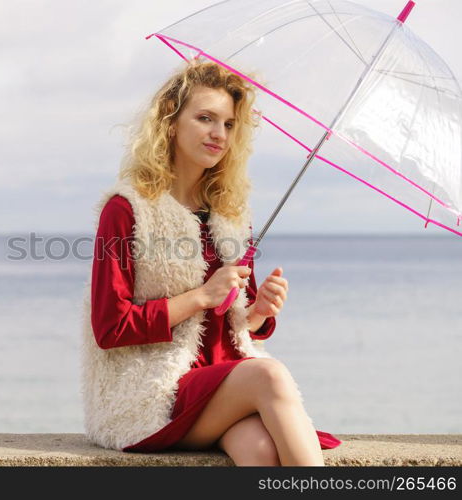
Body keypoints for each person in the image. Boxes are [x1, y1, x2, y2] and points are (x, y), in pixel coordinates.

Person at [80, 60, 341, 466]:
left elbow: (232, 322)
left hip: (222, 384)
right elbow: (110, 327)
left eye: (229, 124)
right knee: (270, 376)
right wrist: (201, 296)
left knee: (260, 452)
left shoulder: (231, 214)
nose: (219, 133)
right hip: (152, 395)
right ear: (170, 123)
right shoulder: (126, 209)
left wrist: (257, 312)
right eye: (205, 118)